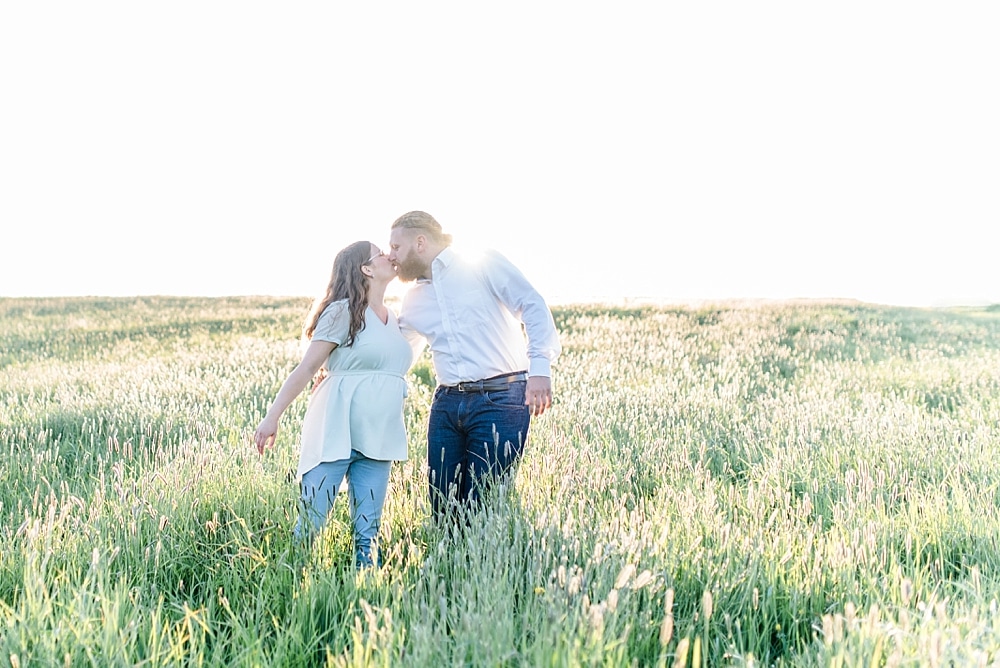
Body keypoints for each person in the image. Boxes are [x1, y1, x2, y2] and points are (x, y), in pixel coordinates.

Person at [387, 211, 561, 520]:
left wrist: (539, 369)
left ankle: (488, 562)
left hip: (501, 399)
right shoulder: (413, 299)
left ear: (421, 242)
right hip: (446, 405)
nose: (392, 256)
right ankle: (449, 566)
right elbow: (397, 354)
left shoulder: (481, 264)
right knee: (443, 504)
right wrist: (339, 368)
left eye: (396, 247)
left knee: (484, 503)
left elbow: (531, 304)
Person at [254, 240, 412, 569]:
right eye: (380, 252)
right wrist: (272, 417)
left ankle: (364, 601)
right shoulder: (342, 311)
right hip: (335, 432)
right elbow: (308, 368)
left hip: (379, 437)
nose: (389, 255)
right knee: (310, 525)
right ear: (366, 269)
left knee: (368, 533)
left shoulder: (393, 318)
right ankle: (289, 590)